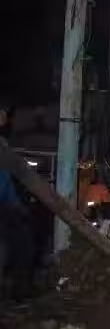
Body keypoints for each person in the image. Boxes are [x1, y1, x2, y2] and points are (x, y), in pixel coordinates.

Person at [0, 100, 35, 300]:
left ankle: (19, 290)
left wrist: (19, 208)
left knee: (24, 240)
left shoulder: (4, 146)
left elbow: (5, 183)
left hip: (6, 206)